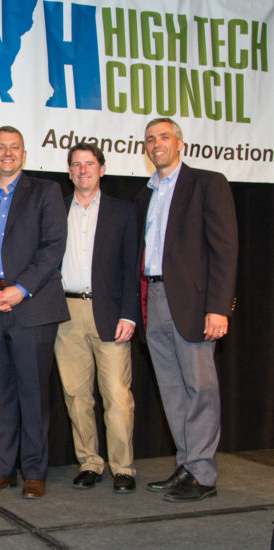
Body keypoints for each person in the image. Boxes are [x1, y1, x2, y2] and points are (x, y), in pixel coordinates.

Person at [136, 118, 238, 502]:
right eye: (150, 139)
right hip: (155, 299)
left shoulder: (207, 183)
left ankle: (204, 474)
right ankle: (188, 464)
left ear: (180, 143)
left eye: (163, 137)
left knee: (201, 389)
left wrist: (218, 307)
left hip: (194, 304)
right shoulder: (146, 194)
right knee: (173, 390)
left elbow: (225, 249)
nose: (156, 143)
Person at [0, 126, 68, 499]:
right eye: (0, 148)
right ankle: (2, 469)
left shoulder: (46, 192)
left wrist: (17, 290)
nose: (7, 153)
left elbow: (52, 247)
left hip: (32, 305)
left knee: (33, 393)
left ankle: (34, 471)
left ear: (24, 155)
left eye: (14, 148)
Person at [54, 143, 138, 494]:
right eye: (76, 165)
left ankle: (123, 468)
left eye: (90, 164)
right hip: (65, 314)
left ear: (102, 169)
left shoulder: (124, 212)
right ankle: (89, 461)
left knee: (117, 396)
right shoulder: (56, 210)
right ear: (69, 172)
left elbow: (132, 267)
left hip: (109, 312)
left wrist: (129, 314)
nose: (83, 170)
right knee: (76, 395)